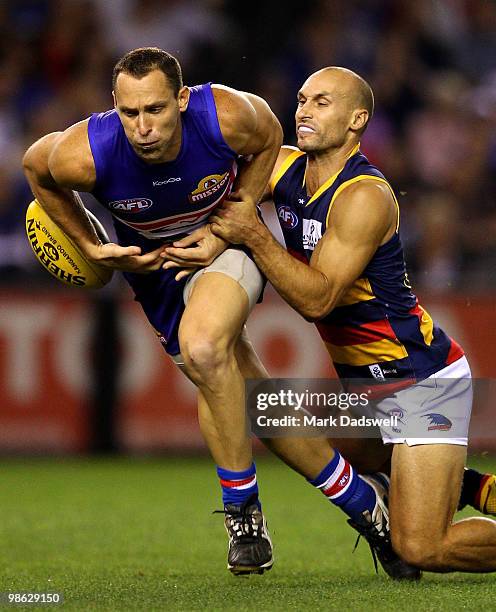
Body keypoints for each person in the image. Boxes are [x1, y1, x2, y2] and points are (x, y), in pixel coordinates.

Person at [23, 48, 418, 579]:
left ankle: (242, 512)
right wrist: (89, 245)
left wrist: (229, 224)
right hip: (156, 279)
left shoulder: (225, 116)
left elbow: (271, 136)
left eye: (157, 110)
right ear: (113, 107)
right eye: (130, 113)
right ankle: (364, 503)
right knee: (250, 397)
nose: (143, 127)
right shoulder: (85, 152)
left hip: (224, 249)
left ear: (182, 100)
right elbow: (35, 168)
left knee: (204, 346)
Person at [206, 66, 496, 573]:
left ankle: (423, 497)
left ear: (357, 119)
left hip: (419, 383)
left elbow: (318, 300)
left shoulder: (364, 196)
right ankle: (458, 484)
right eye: (301, 99)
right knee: (283, 421)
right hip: (367, 384)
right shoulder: (286, 168)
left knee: (421, 547)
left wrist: (254, 234)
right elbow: (216, 174)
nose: (303, 110)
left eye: (322, 102)